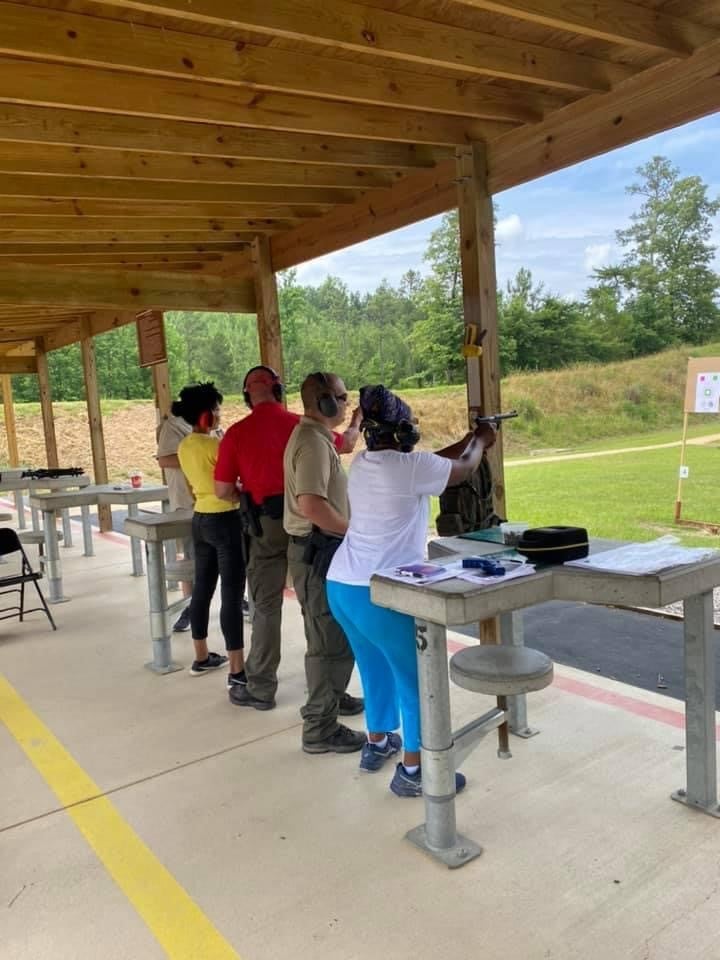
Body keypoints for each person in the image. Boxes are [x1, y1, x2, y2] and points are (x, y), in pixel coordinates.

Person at [326, 385, 497, 797]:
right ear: (404, 432)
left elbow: (435, 462)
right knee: (418, 678)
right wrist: (481, 440)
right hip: (381, 593)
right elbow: (463, 468)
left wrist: (473, 435)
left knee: (374, 665)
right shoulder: (411, 468)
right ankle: (415, 771)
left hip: (342, 587)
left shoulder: (365, 461)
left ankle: (378, 742)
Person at [214, 365, 361, 712]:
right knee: (317, 612)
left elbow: (222, 491)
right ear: (279, 391)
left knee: (265, 608)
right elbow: (347, 443)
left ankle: (261, 687)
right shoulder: (303, 427)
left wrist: (246, 495)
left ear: (248, 395)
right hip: (310, 531)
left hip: (264, 527)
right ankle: (328, 692)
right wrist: (355, 422)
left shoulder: (236, 433)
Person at [284, 372, 365, 754]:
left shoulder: (317, 437)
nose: (346, 403)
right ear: (326, 402)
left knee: (339, 634)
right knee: (325, 642)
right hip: (318, 552)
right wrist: (354, 532)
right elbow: (311, 505)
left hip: (321, 551)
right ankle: (319, 726)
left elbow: (346, 445)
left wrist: (358, 422)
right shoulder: (313, 444)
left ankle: (333, 698)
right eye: (342, 398)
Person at [176, 382, 246, 684]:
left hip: (200, 518)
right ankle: (237, 670)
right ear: (206, 416)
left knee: (202, 588)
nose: (220, 415)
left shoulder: (185, 446)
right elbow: (235, 483)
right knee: (231, 594)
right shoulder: (216, 446)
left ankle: (202, 656)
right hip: (226, 520)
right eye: (217, 410)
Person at [156, 400, 194, 633]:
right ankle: (190, 606)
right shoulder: (173, 427)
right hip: (186, 502)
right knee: (190, 558)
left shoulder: (206, 426)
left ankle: (238, 599)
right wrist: (196, 456)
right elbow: (164, 459)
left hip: (211, 501)